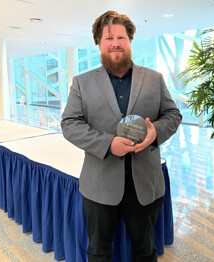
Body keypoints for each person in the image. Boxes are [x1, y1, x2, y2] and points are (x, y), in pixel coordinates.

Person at [61, 10, 182, 262]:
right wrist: (107, 144)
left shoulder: (154, 79)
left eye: (121, 37)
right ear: (99, 43)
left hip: (145, 183)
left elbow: (172, 115)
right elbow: (70, 123)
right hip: (99, 184)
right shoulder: (82, 82)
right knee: (98, 251)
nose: (115, 42)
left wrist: (154, 133)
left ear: (129, 41)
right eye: (108, 38)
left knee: (145, 250)